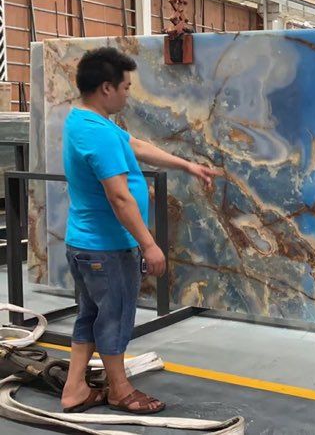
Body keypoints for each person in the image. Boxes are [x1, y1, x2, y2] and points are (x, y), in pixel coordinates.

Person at [60, 47, 220, 414]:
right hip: (107, 247)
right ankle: (120, 390)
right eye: (126, 88)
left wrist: (188, 166)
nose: (128, 95)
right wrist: (148, 244)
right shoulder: (97, 133)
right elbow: (119, 197)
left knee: (90, 315)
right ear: (106, 88)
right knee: (114, 317)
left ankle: (74, 389)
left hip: (83, 241)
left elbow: (135, 145)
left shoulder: (84, 120)